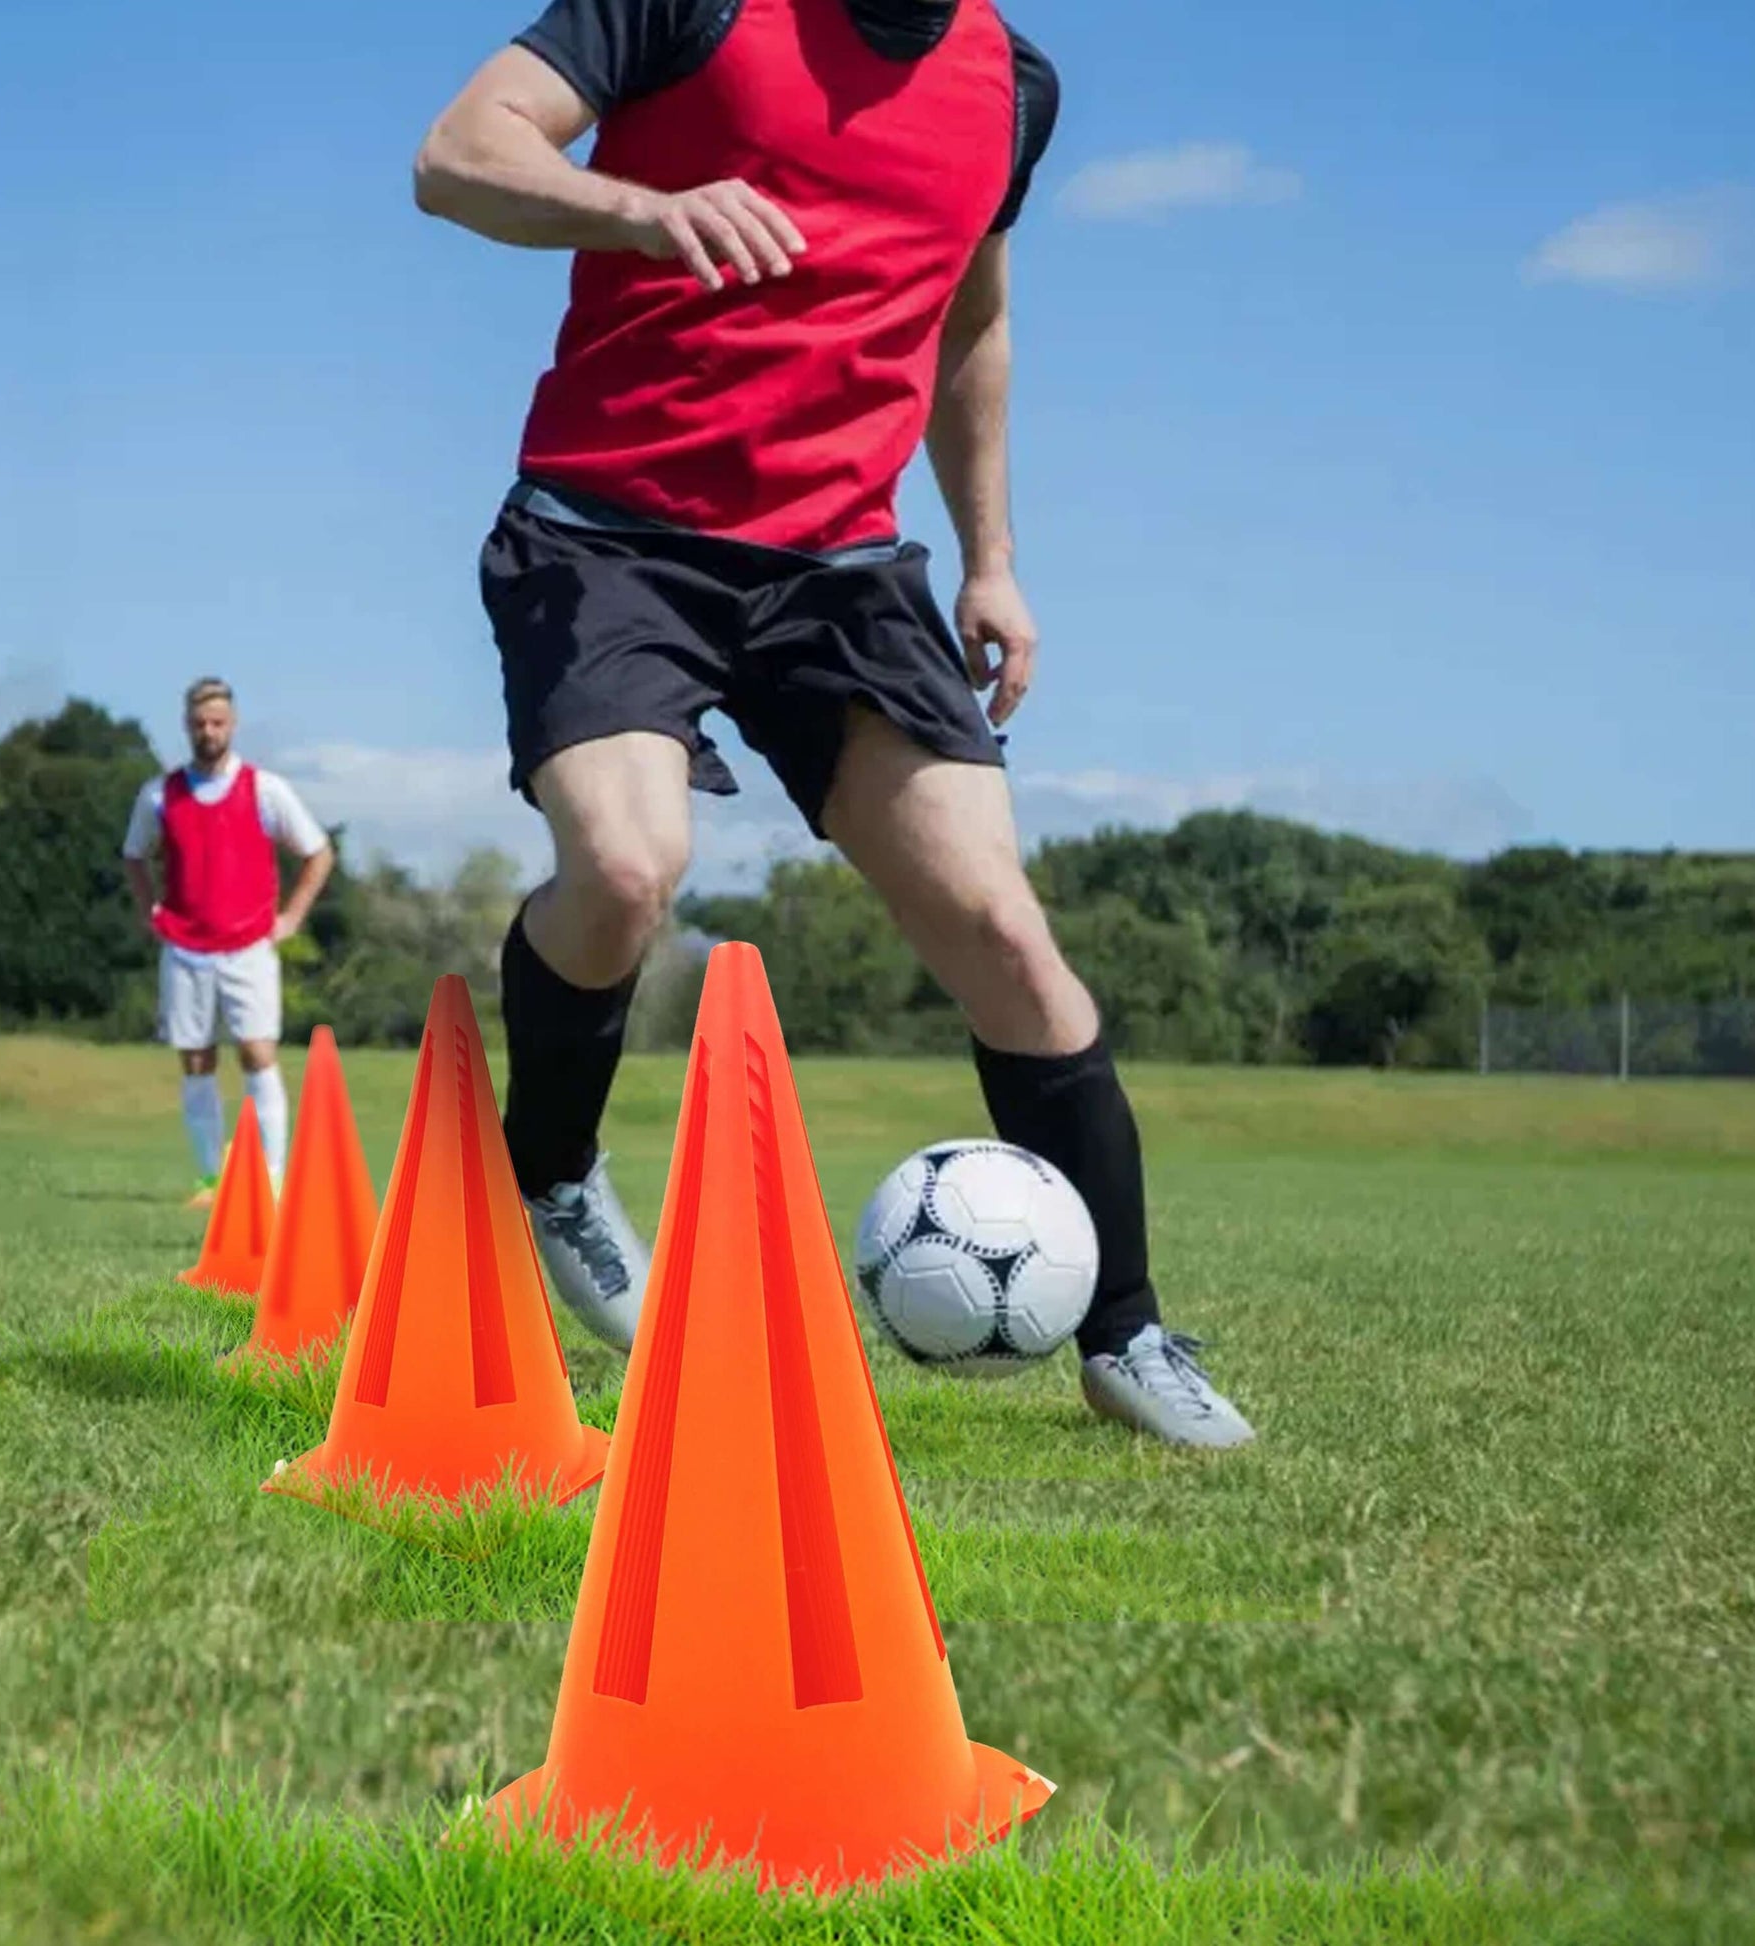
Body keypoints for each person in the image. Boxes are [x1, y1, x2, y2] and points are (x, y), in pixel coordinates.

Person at [413, 0, 1253, 1446]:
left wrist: (988, 553)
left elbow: (969, 318)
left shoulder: (1008, 87)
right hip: (610, 535)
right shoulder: (690, 8)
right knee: (623, 871)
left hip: (839, 568)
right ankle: (551, 1170)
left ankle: (1126, 1337)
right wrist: (639, 207)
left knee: (1001, 931)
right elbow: (456, 153)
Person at [123, 679, 335, 1205]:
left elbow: (318, 852)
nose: (208, 732)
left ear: (232, 725)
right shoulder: (159, 795)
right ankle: (210, 1179)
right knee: (196, 1059)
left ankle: (271, 1177)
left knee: (258, 1052)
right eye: (199, 724)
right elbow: (134, 855)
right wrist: (149, 909)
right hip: (185, 947)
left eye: (217, 723)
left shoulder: (265, 790)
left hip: (248, 947)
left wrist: (290, 918)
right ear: (186, 727)